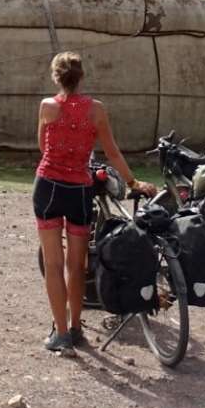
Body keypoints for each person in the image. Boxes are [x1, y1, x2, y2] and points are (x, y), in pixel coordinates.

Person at [32, 51, 152, 354]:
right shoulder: (96, 110)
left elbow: (43, 146)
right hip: (79, 191)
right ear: (81, 76)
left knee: (53, 264)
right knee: (77, 265)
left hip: (48, 187)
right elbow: (112, 152)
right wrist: (133, 183)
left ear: (56, 77)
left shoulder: (47, 107)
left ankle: (60, 334)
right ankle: (75, 328)